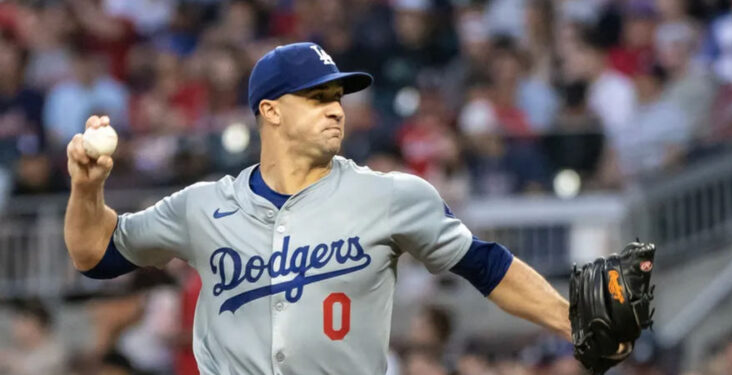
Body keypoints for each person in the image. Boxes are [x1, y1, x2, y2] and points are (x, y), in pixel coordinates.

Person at [64, 42, 578, 374]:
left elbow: (485, 263)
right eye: (315, 97)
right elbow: (96, 256)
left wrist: (571, 321)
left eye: (337, 95)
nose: (335, 107)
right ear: (270, 111)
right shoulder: (203, 207)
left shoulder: (392, 196)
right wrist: (87, 191)